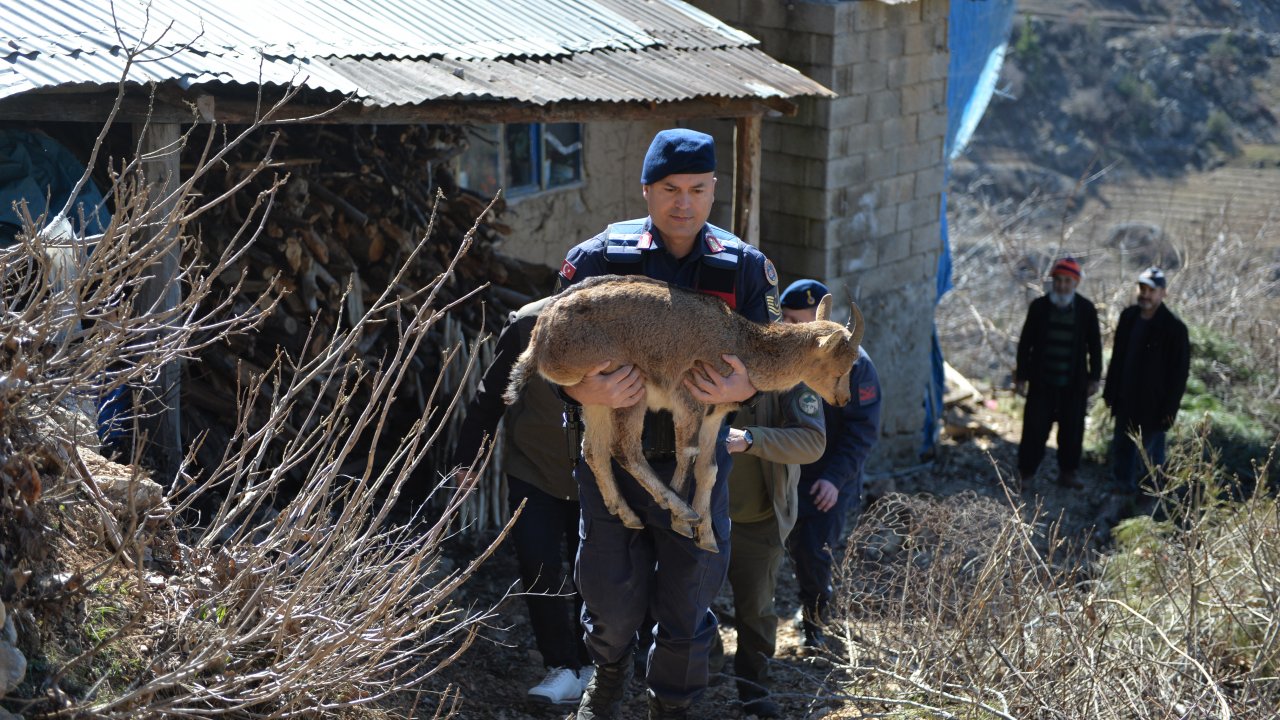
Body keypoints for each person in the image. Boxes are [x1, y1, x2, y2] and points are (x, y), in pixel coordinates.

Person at [557, 128, 782, 720]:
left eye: (698, 190)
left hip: (697, 469)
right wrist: (581, 387)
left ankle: (672, 706)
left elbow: (770, 356)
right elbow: (549, 350)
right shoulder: (598, 259)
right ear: (647, 190)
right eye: (670, 189)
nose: (684, 203)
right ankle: (607, 677)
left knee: (688, 602)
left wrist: (746, 385)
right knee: (609, 595)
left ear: (715, 192)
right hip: (612, 465)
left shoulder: (744, 272)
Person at [451, 297, 593, 707]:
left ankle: (594, 666)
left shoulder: (623, 325)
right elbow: (492, 395)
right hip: (534, 470)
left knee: (597, 572)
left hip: (598, 475)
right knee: (538, 564)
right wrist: (467, 458)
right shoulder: (525, 328)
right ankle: (561, 666)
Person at [777, 279, 882, 650]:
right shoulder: (788, 352)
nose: (788, 327)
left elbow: (862, 432)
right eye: (785, 318)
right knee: (789, 549)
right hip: (789, 473)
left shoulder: (855, 363)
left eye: (795, 319)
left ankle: (816, 621)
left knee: (814, 551)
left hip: (828, 479)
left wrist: (835, 480)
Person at [720, 386, 825, 718]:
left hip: (758, 519)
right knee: (683, 607)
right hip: (694, 517)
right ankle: (681, 691)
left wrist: (752, 439)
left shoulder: (786, 369)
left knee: (756, 611)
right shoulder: (696, 351)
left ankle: (754, 692)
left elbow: (812, 441)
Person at [1013, 257, 1103, 490]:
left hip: (1073, 384)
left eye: (1067, 281)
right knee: (1034, 429)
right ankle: (1027, 473)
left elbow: (1095, 346)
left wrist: (1094, 377)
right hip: (1042, 382)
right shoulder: (1039, 307)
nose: (1062, 286)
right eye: (1059, 280)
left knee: (1072, 431)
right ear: (1053, 281)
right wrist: (1022, 376)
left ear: (1075, 283)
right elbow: (1026, 344)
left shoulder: (1086, 309)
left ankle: (1068, 473)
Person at [1102, 266, 1190, 499]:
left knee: (1151, 455)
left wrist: (1170, 410)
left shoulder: (1175, 329)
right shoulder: (1129, 317)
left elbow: (1179, 375)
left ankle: (1151, 499)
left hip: (1154, 405)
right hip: (1125, 398)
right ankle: (1121, 490)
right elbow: (1118, 357)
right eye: (1142, 288)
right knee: (1122, 448)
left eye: (1151, 290)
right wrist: (1110, 392)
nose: (1146, 294)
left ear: (1163, 293)